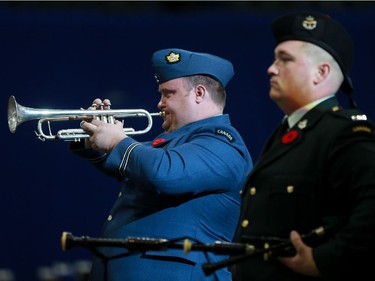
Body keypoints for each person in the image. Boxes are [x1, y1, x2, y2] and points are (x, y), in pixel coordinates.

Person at [71, 48, 253, 281]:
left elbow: (163, 173)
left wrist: (118, 140)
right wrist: (94, 137)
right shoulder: (174, 143)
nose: (159, 103)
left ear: (199, 93)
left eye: (168, 94)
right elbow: (134, 166)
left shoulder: (223, 144)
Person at [233, 11, 375, 281]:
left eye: (285, 59)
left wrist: (325, 261)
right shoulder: (290, 132)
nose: (271, 68)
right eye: (275, 58)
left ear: (321, 72)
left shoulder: (343, 132)